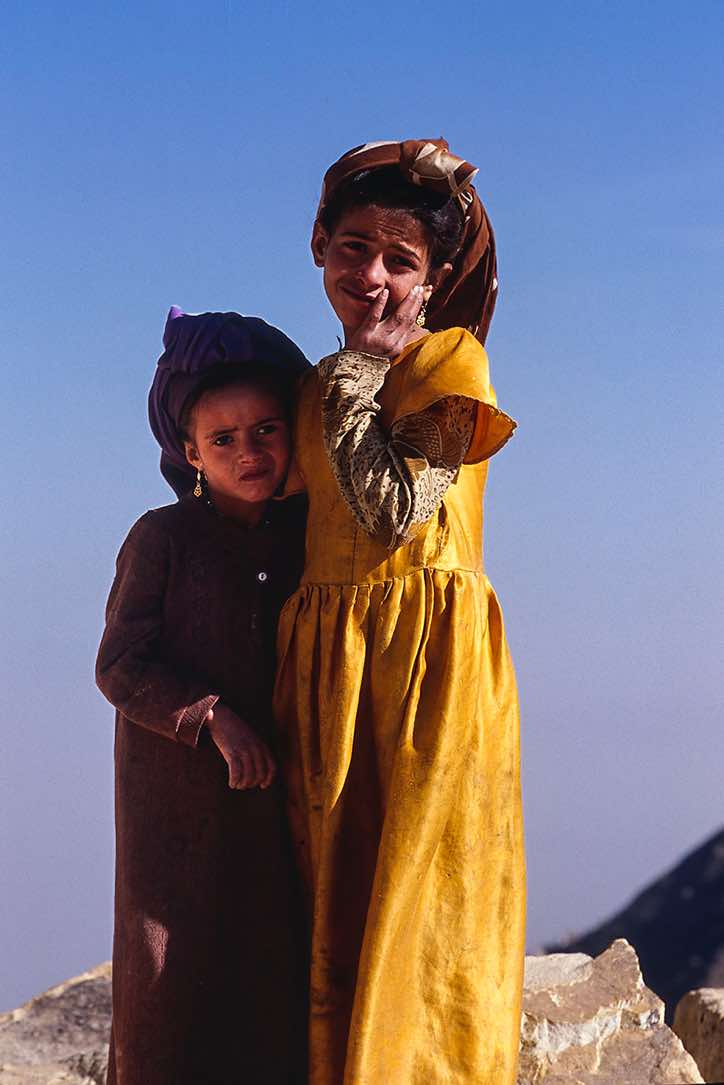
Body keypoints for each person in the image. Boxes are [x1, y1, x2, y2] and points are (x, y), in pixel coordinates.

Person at [273, 139, 526, 1085]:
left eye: (400, 259)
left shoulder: (451, 362)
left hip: (427, 668)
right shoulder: (311, 386)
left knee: (424, 902)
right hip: (328, 670)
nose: (371, 275)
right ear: (319, 244)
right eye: (353, 247)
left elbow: (393, 511)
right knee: (330, 905)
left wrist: (356, 379)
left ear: (435, 277)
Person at [96, 308, 310, 1085]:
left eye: (266, 431)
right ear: (190, 452)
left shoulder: (304, 539)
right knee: (169, 986)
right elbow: (120, 664)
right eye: (223, 439)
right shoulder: (162, 538)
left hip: (271, 808)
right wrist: (211, 715)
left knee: (268, 983)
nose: (248, 452)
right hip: (174, 814)